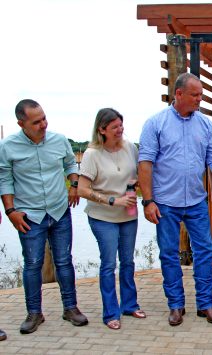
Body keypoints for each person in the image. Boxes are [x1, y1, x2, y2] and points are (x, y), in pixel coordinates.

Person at [138, 73, 212, 326]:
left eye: (201, 95)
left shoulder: (205, 125)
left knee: (205, 251)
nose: (200, 99)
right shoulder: (156, 123)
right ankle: (176, 305)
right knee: (169, 254)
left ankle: (206, 304)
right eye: (195, 95)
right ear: (179, 94)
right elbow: (145, 164)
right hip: (164, 202)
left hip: (196, 201)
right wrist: (148, 201)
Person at [0, 99, 88, 334]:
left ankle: (70, 308)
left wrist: (73, 185)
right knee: (32, 264)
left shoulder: (59, 141)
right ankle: (34, 313)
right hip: (29, 215)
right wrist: (10, 212)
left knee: (64, 261)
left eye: (44, 118)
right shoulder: (8, 146)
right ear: (21, 123)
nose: (43, 124)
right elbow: (5, 179)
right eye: (36, 121)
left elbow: (70, 164)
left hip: (59, 211)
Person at [77, 108, 145, 330]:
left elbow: (138, 174)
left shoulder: (130, 148)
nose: (120, 130)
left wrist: (135, 185)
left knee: (128, 261)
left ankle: (130, 304)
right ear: (102, 129)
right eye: (114, 127)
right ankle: (110, 313)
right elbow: (82, 190)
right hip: (102, 216)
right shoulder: (91, 154)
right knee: (108, 264)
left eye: (121, 125)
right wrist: (111, 200)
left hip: (128, 215)